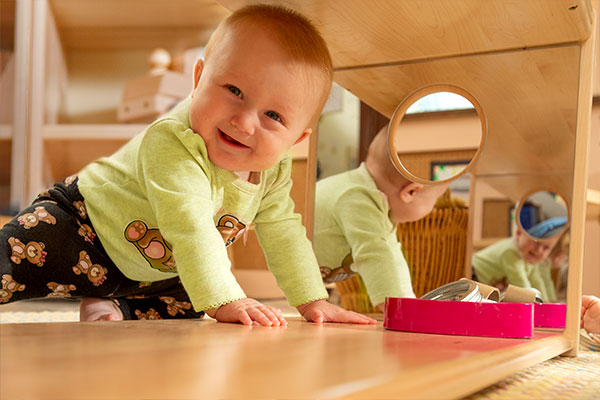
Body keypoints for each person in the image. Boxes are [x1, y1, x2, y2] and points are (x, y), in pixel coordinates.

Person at [0, 4, 376, 326]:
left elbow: (284, 233)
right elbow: (191, 224)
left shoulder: (272, 173)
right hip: (82, 227)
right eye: (234, 91)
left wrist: (312, 300)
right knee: (10, 260)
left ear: (295, 140)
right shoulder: (173, 141)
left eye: (273, 115)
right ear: (198, 80)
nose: (244, 122)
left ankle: (114, 305)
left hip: (154, 271)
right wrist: (228, 299)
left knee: (190, 300)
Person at [313, 125, 450, 312]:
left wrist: (409, 302)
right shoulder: (357, 197)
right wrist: (396, 308)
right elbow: (373, 254)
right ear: (411, 192)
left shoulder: (378, 204)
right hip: (278, 265)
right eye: (435, 199)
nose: (433, 206)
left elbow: (393, 257)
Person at [471, 218, 568, 303]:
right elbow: (522, 287)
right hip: (472, 274)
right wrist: (541, 303)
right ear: (518, 234)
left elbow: (537, 282)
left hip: (485, 282)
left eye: (546, 248)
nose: (538, 250)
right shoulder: (511, 252)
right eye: (536, 242)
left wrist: (549, 302)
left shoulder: (530, 260)